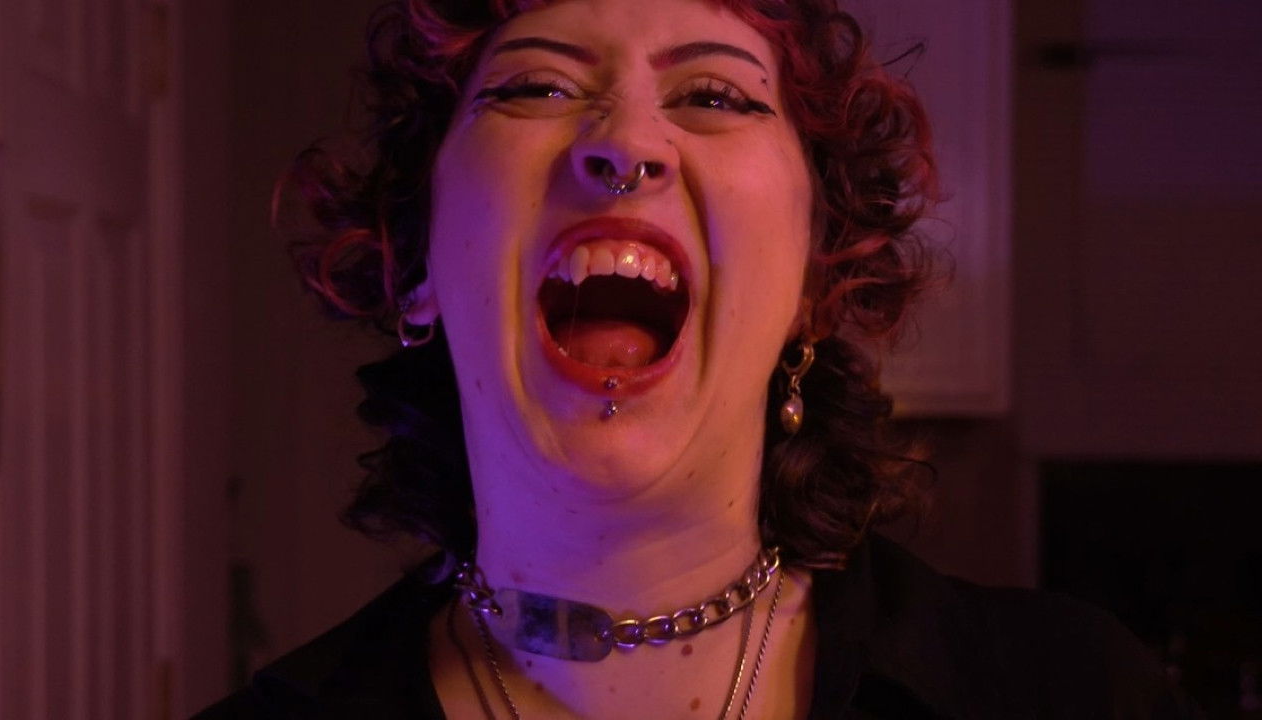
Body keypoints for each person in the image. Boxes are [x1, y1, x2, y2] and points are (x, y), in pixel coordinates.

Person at [199, 0, 1202, 717]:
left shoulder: (1073, 691)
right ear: (417, 260)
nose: (625, 142)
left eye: (715, 95)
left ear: (813, 283)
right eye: (538, 85)